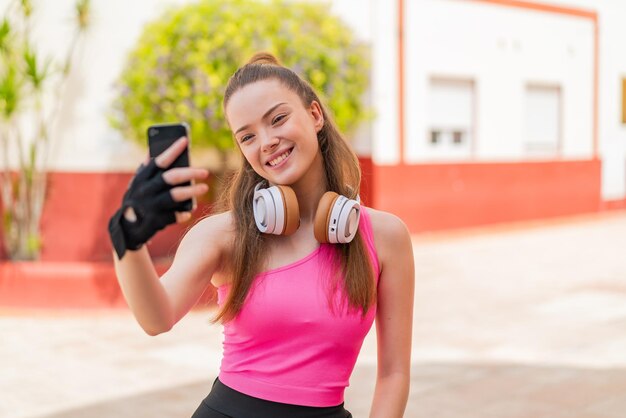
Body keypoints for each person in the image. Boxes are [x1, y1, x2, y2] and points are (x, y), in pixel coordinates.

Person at [108, 52, 415, 418]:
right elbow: (156, 318)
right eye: (247, 136)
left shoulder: (385, 236)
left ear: (314, 115)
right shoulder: (225, 234)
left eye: (278, 119)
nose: (266, 141)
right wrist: (127, 236)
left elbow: (394, 373)